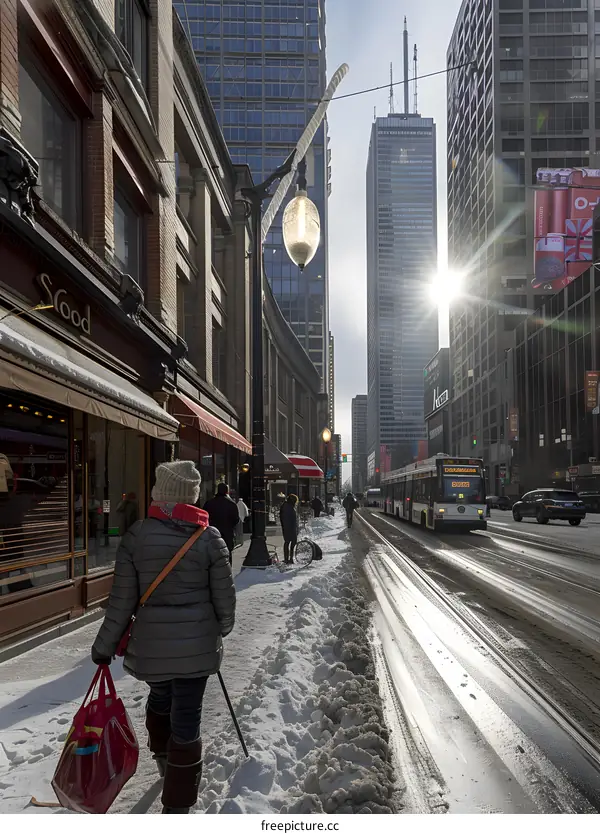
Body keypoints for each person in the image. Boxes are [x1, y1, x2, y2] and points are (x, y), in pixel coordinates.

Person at [91, 460, 235, 814]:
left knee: (160, 697)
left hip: (152, 647)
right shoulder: (209, 538)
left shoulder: (137, 536)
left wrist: (103, 647)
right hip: (197, 646)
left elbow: (121, 602)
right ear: (192, 496)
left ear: (160, 493)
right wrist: (222, 627)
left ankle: (163, 758)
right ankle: (178, 805)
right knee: (188, 715)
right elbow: (225, 599)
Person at [203, 483, 240, 564]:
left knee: (211, 556)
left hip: (212, 534)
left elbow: (204, 518)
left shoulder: (209, 503)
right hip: (227, 534)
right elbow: (236, 520)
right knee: (227, 556)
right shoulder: (232, 504)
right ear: (227, 491)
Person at [280, 493, 299, 564]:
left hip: (289, 527)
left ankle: (289, 558)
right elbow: (287, 519)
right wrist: (291, 528)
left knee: (290, 542)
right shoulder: (287, 507)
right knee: (289, 542)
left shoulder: (287, 506)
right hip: (289, 528)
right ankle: (287, 559)